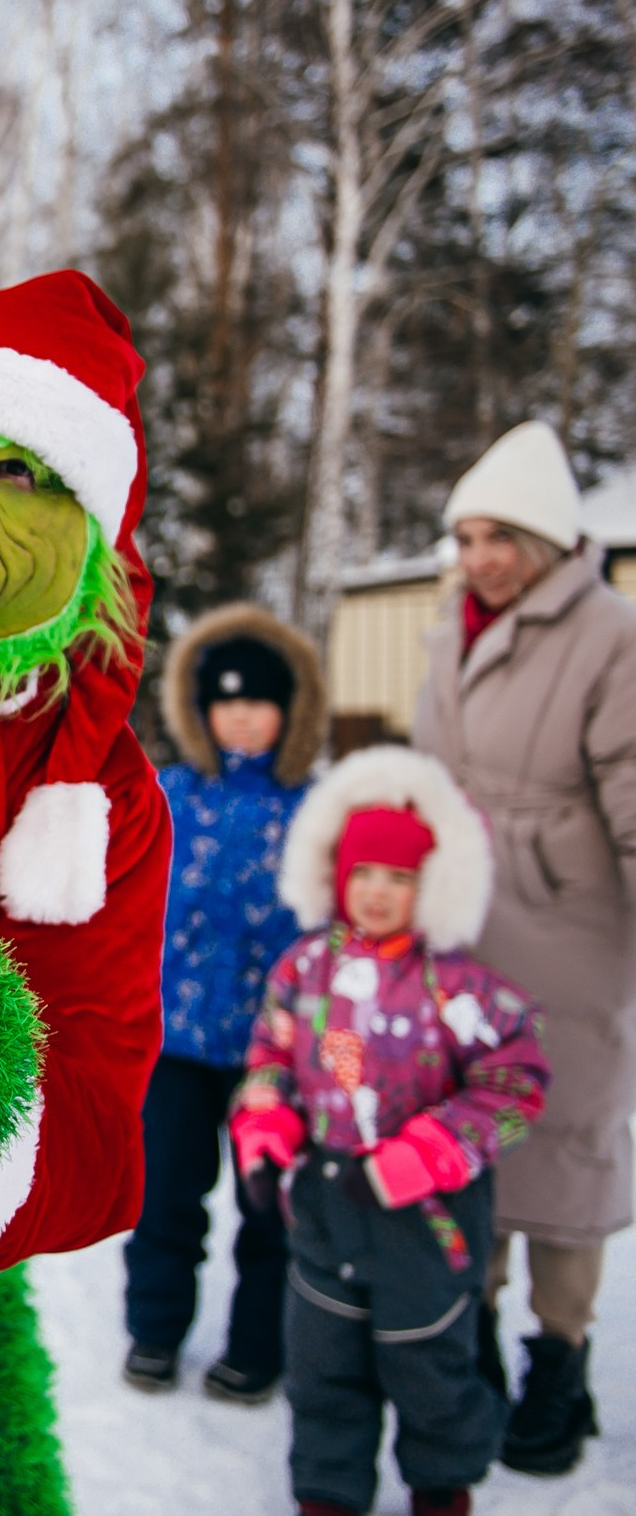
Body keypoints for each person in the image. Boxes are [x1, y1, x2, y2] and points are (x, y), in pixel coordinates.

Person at [231, 746, 550, 1516]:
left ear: (430, 886)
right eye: (364, 874)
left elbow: (515, 1083)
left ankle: (442, 1485)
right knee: (323, 1364)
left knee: (429, 1361)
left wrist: (431, 1151)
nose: (378, 893)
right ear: (337, 875)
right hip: (327, 1201)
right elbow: (271, 1054)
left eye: (400, 879)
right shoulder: (303, 969)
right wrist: (266, 1122)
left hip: (427, 1217)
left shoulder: (462, 988)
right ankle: (328, 1492)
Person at [413, 419, 636, 1475]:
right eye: (466, 536)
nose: (480, 556)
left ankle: (562, 1357)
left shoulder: (609, 636)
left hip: (570, 930)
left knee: (565, 1144)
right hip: (464, 931)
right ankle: (481, 1341)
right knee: (470, 1136)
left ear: (547, 540)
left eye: (500, 535)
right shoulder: (446, 627)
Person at [124, 605, 321, 1400]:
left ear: (290, 709)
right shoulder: (167, 793)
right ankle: (156, 1330)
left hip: (274, 1055)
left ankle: (255, 1346)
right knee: (166, 1195)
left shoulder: (313, 808)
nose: (241, 714)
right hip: (172, 1042)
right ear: (200, 708)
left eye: (259, 699)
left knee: (267, 1210)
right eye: (226, 699)